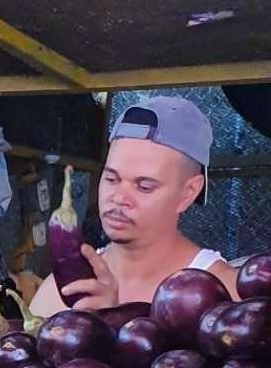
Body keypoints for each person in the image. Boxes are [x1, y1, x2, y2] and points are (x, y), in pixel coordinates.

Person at [31, 96, 239, 317]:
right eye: (111, 179)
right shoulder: (60, 292)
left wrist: (107, 322)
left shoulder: (225, 296)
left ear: (189, 192)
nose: (119, 197)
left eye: (144, 186)